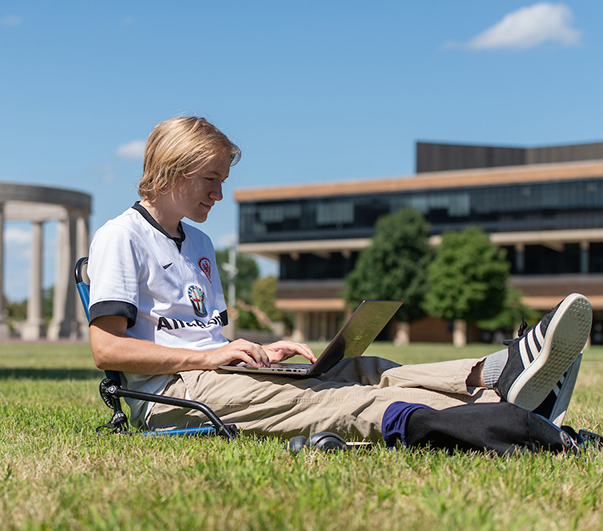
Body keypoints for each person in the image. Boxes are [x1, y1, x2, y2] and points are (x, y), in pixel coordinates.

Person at [87, 116, 593, 453]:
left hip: (214, 374)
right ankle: (511, 420)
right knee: (331, 400)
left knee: (363, 367)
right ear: (174, 171)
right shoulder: (121, 236)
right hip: (172, 395)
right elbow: (107, 349)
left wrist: (256, 351)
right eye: (210, 179)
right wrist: (208, 358)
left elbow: (198, 336)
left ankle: (497, 374)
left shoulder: (198, 244)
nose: (220, 193)